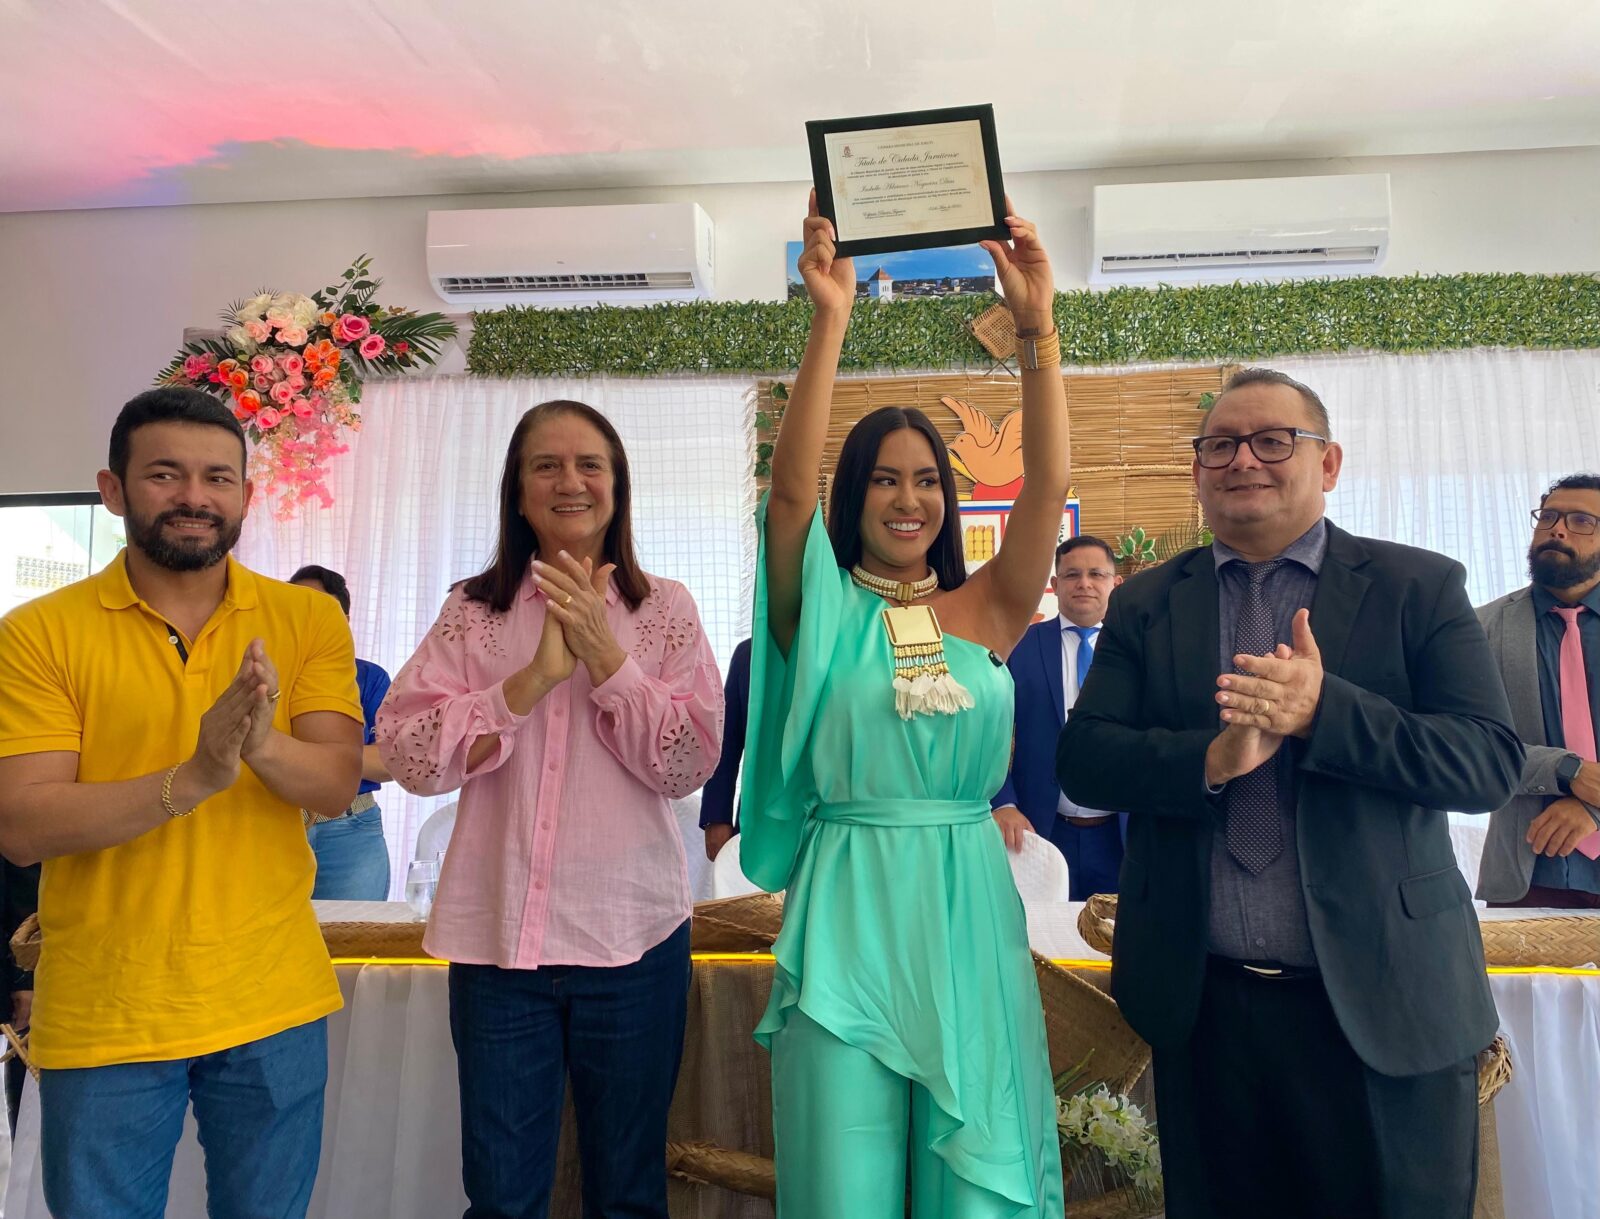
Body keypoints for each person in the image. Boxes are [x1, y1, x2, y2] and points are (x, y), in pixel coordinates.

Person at [1058, 367, 1524, 1219]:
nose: (1244, 460)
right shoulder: (1148, 603)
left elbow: (1487, 761)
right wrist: (1210, 758)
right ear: (1198, 470)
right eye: (1221, 445)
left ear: (1329, 462)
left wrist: (1325, 712)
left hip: (1384, 1002)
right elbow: (1084, 760)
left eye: (1274, 440)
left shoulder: (1416, 587)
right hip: (1207, 1009)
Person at [738, 193, 1070, 1217]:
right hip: (847, 900)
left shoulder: (989, 607)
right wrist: (829, 317)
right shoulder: (818, 611)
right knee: (844, 1180)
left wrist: (1038, 332)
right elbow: (787, 498)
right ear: (857, 495)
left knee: (973, 1174)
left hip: (966, 900)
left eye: (927, 480)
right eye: (884, 480)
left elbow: (1047, 485)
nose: (909, 498)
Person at [0, 386, 363, 1219]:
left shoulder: (306, 618)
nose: (195, 496)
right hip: (107, 1008)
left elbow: (337, 782)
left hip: (272, 999)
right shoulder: (39, 632)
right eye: (165, 474)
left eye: (217, 477)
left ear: (245, 494)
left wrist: (261, 745)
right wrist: (193, 776)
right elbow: (22, 825)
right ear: (113, 489)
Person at [377, 399, 723, 1219]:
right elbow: (408, 752)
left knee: (628, 1194)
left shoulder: (664, 609)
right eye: (547, 465)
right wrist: (528, 682)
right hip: (500, 948)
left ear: (617, 487)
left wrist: (605, 655)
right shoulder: (474, 610)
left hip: (634, 940)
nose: (571, 480)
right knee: (502, 1198)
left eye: (589, 464)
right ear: (519, 491)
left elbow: (688, 761)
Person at [1477, 474, 1600, 907]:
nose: (1558, 530)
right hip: (1526, 878)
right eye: (1548, 517)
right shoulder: (1479, 629)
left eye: (1581, 520)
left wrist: (1593, 809)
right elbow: (1464, 743)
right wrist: (1566, 771)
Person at [992, 534, 1124, 897]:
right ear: (1054, 584)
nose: (1084, 583)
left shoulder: (1137, 648)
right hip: (1040, 830)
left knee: (1118, 931)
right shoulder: (1019, 646)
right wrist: (1003, 801)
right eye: (1072, 575)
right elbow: (989, 730)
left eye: (1096, 574)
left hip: (1121, 834)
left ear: (1116, 583)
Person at [289, 564, 395, 899]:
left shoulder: (369, 678)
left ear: (343, 621)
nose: (307, 619)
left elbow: (392, 761)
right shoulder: (259, 674)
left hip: (351, 831)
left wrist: (294, 754)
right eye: (296, 608)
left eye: (320, 610)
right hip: (273, 825)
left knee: (353, 931)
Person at [700, 637, 750, 860]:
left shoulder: (844, 650)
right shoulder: (748, 654)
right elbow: (726, 744)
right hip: (755, 818)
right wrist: (717, 816)